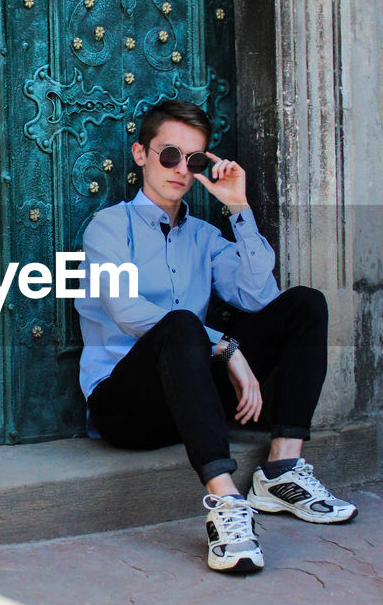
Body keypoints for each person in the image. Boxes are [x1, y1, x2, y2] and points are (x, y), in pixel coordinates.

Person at [77, 98, 357, 575]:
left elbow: (259, 296)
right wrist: (226, 348)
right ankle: (226, 506)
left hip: (194, 396)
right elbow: (128, 311)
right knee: (180, 322)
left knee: (305, 304)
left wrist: (239, 208)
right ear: (141, 154)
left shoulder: (205, 236)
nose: (180, 169)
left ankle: (282, 471)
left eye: (195, 160)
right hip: (127, 408)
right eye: (168, 154)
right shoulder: (108, 228)